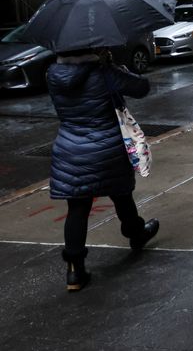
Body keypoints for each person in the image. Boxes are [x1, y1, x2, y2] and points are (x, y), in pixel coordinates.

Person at [47, 47, 159, 292]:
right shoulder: (104, 73)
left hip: (70, 149)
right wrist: (114, 67)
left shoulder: (53, 74)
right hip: (107, 147)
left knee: (77, 206)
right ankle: (136, 234)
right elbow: (142, 87)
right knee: (121, 194)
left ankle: (74, 271)